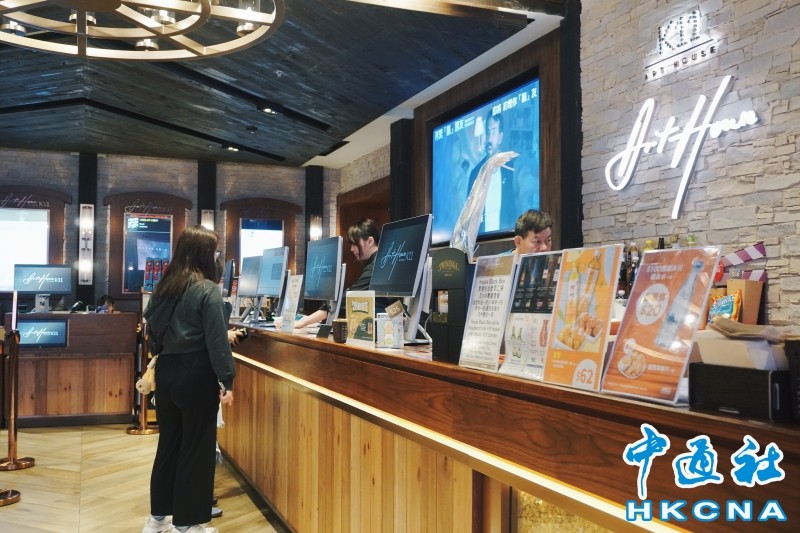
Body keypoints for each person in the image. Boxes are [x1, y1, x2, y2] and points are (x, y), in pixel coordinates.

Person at [141, 225, 235, 533]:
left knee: (169, 445)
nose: (217, 257)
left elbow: (153, 335)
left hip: (167, 372)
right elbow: (216, 340)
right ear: (204, 253)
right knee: (197, 449)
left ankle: (157, 520)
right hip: (196, 374)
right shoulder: (207, 289)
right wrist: (227, 380)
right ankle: (188, 524)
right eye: (214, 251)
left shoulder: (165, 286)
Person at [290, 218, 384, 329]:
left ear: (370, 241)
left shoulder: (377, 266)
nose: (352, 249)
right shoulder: (378, 262)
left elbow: (347, 298)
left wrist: (304, 322)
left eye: (354, 244)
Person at [467, 111, 516, 234]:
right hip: (480, 241)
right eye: (488, 132)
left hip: (507, 239)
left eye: (493, 132)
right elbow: (469, 217)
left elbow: (513, 210)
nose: (489, 138)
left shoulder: (510, 170)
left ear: (500, 137)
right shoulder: (475, 173)